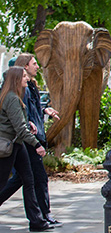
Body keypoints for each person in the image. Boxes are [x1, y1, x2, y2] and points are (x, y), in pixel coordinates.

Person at [0, 54, 61, 227]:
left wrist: (40, 114)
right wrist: (36, 144)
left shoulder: (21, 92)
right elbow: (19, 125)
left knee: (28, 179)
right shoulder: (12, 98)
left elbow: (24, 118)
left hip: (18, 144)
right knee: (7, 180)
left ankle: (36, 221)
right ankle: (40, 217)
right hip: (12, 144)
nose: (27, 78)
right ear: (18, 77)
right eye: (24, 76)